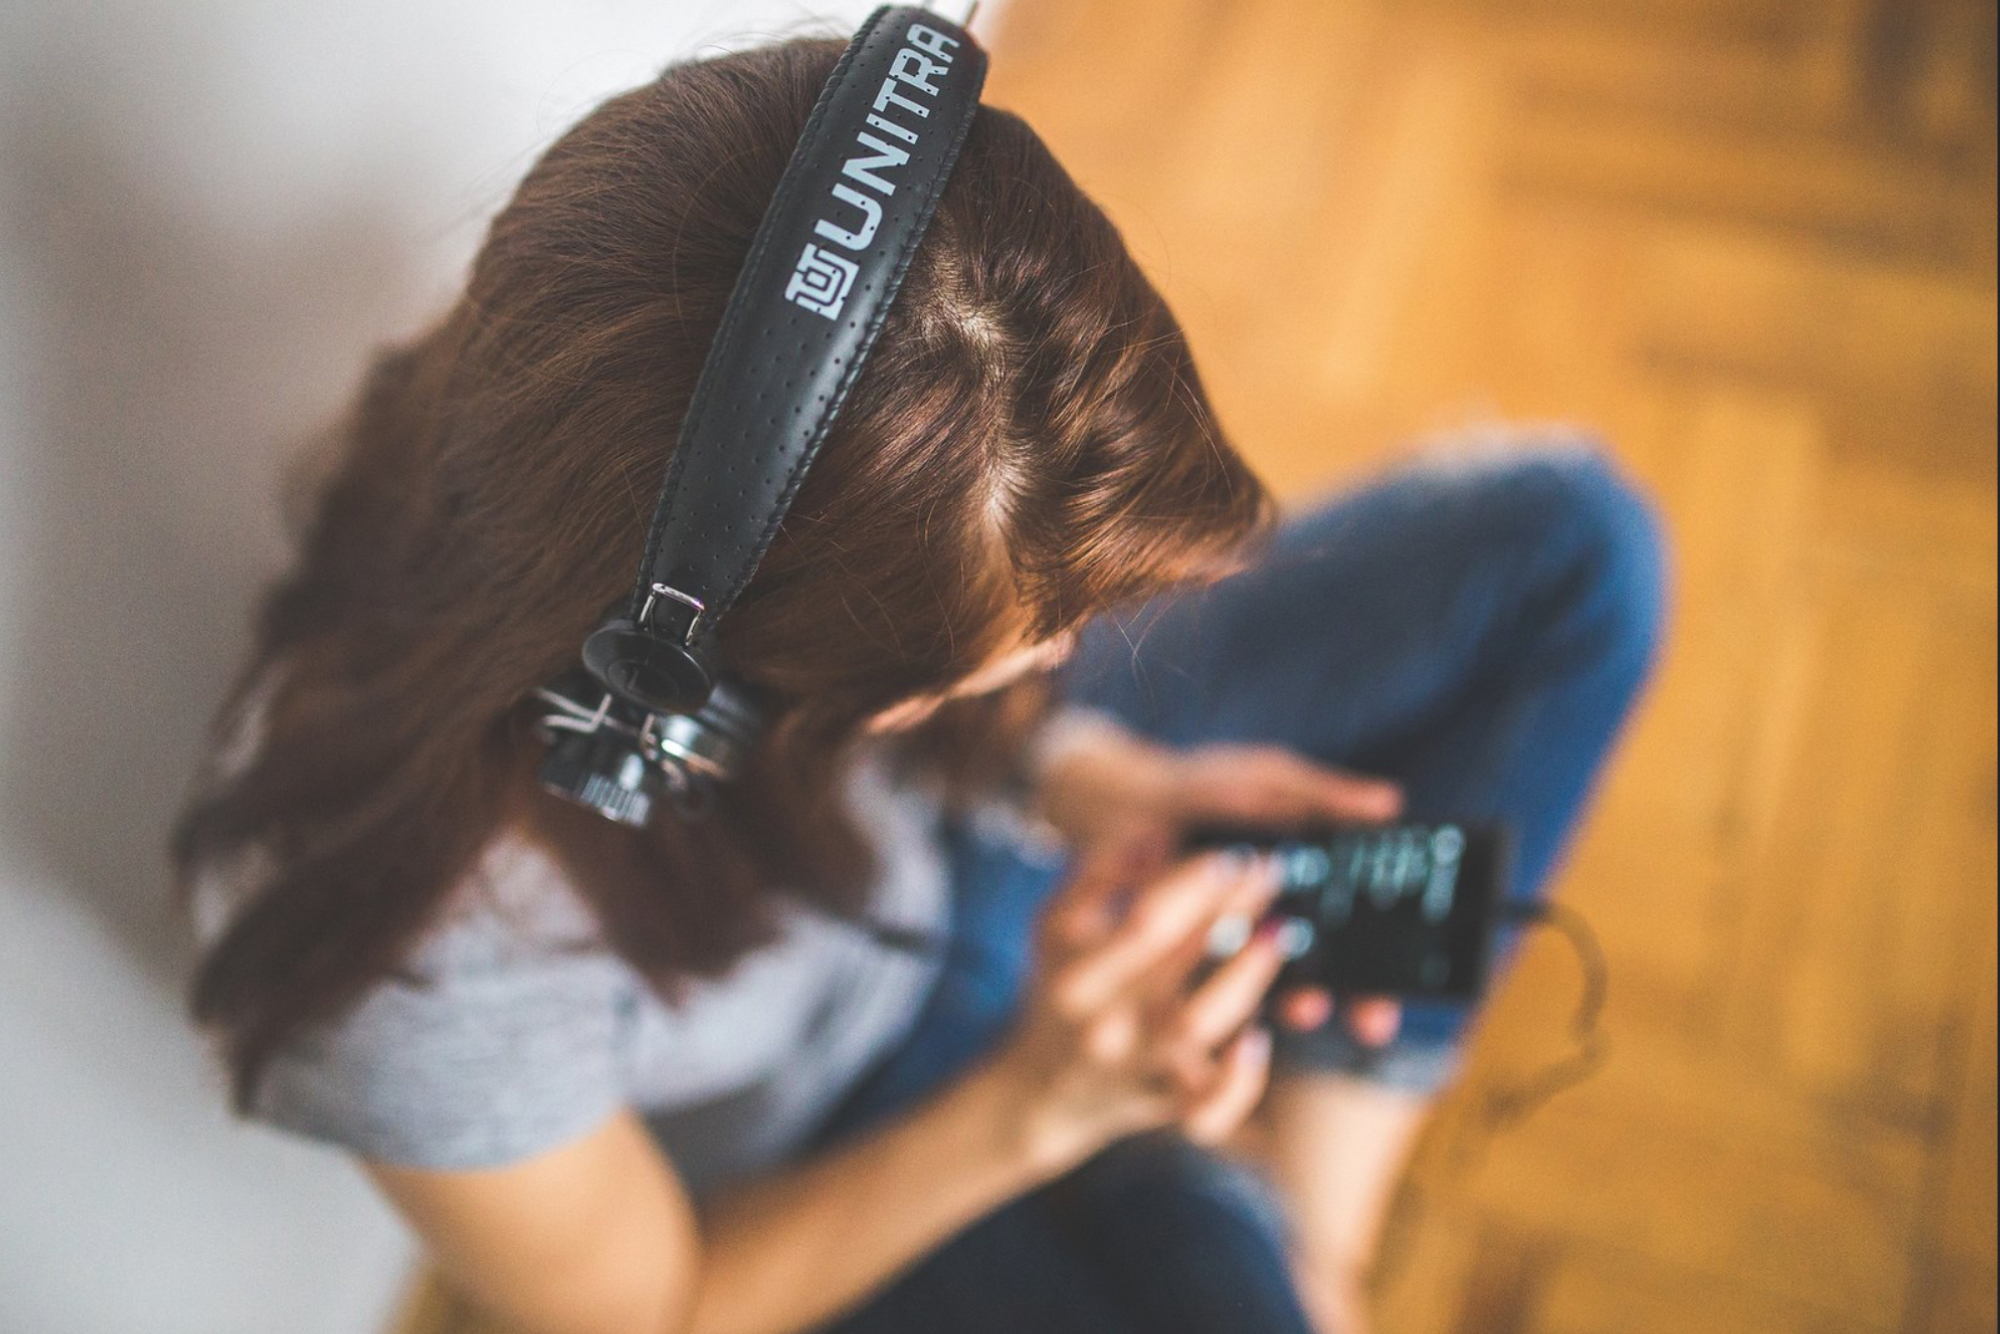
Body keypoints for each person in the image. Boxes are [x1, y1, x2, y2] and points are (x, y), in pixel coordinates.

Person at [173, 30, 1665, 1334]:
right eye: (1010, 643)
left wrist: (1061, 772)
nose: (1062, 659)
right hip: (860, 1135)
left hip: (958, 842)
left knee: (1572, 551)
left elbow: (973, 676)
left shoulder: (619, 396)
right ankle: (1233, 1214)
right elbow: (664, 1306)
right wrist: (1039, 1104)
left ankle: (1308, 1222)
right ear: (687, 698)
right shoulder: (409, 968)